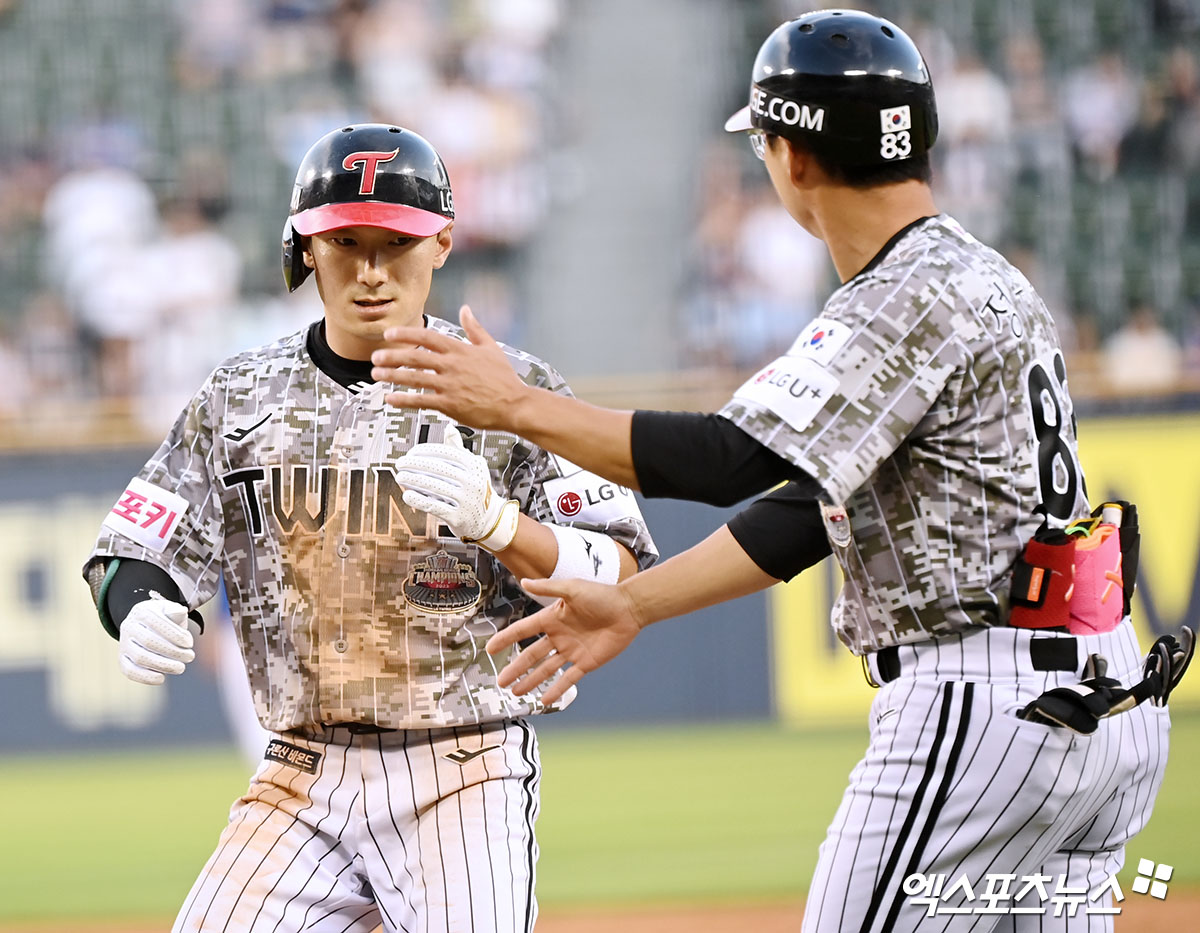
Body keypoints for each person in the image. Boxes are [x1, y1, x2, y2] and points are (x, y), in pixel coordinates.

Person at [369, 13, 1193, 932]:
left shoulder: (898, 295)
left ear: (794, 156)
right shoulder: (985, 274)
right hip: (1099, 698)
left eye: (764, 141)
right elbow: (810, 506)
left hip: (985, 704)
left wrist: (517, 405)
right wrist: (637, 603)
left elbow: (730, 459)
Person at [82, 123, 656, 933]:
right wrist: (136, 603)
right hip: (298, 775)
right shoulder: (239, 397)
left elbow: (619, 572)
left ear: (444, 243)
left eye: (398, 241)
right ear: (305, 250)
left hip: (465, 764)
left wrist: (499, 523)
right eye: (345, 241)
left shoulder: (511, 388)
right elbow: (130, 551)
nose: (373, 269)